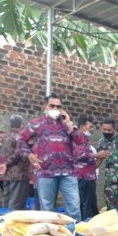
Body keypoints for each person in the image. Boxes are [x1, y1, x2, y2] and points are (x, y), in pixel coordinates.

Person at [17, 93, 86, 221]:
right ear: (46, 106)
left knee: (74, 207)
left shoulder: (67, 125)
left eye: (58, 106)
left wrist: (69, 124)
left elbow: (81, 141)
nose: (55, 109)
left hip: (68, 172)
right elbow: (20, 138)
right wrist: (30, 155)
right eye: (52, 106)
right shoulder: (37, 124)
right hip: (46, 171)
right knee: (47, 209)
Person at [2, 115, 32, 210]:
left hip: (7, 173)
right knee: (17, 202)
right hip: (19, 173)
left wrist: (5, 164)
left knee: (7, 199)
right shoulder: (19, 137)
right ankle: (12, 221)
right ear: (21, 125)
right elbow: (19, 153)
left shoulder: (5, 137)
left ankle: (4, 220)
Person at [74, 117, 99, 220]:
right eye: (90, 127)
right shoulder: (77, 138)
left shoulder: (85, 140)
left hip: (89, 177)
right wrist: (97, 154)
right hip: (82, 177)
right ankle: (85, 227)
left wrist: (100, 158)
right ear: (82, 127)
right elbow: (80, 154)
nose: (92, 129)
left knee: (90, 203)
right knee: (86, 204)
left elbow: (90, 163)